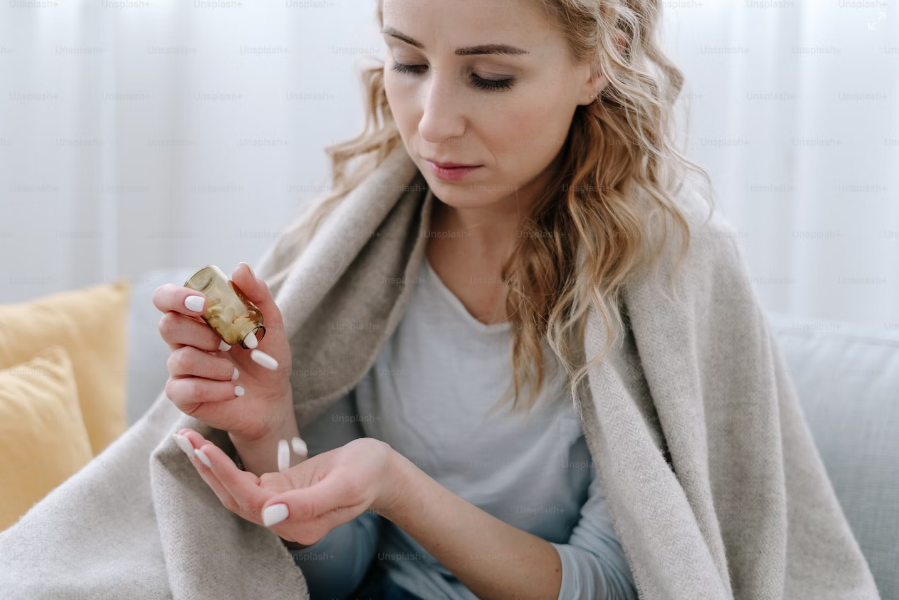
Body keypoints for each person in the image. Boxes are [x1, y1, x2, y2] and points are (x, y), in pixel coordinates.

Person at [151, 0, 699, 598]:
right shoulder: (358, 248)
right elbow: (336, 575)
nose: (434, 124)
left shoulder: (671, 273)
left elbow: (627, 585)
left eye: (490, 77)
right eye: (408, 62)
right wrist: (267, 428)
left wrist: (399, 489)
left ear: (602, 59)